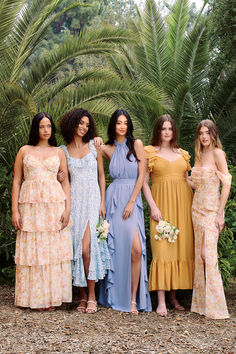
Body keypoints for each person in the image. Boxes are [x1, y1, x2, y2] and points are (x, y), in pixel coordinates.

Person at [12, 112, 73, 310]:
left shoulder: (59, 152)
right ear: (35, 129)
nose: (46, 130)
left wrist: (68, 209)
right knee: (34, 251)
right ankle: (34, 298)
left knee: (51, 251)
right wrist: (15, 211)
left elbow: (65, 182)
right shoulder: (24, 151)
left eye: (48, 126)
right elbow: (16, 181)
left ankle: (51, 298)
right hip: (30, 207)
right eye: (42, 126)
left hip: (54, 206)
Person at [98, 109, 152, 314]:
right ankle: (114, 295)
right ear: (113, 125)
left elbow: (142, 176)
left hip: (131, 200)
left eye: (125, 123)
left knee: (136, 249)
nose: (122, 126)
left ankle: (132, 299)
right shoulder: (107, 148)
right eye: (118, 123)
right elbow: (86, 148)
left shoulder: (136, 144)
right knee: (117, 250)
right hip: (113, 200)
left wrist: (131, 202)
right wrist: (95, 138)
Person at [142, 114, 194, 316]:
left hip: (184, 206)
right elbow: (144, 182)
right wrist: (153, 206)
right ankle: (161, 301)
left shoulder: (183, 154)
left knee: (180, 249)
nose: (166, 132)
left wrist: (206, 184)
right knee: (162, 250)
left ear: (174, 131)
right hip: (161, 206)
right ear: (158, 131)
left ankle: (173, 296)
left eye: (170, 129)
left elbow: (187, 179)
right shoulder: (150, 153)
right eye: (163, 128)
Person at [59, 108, 110, 314]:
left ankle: (92, 296)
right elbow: (63, 179)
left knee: (87, 250)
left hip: (92, 201)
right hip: (74, 203)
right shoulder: (62, 150)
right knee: (75, 250)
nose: (84, 127)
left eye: (87, 125)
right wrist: (60, 177)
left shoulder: (94, 145)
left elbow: (101, 176)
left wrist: (102, 202)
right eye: (81, 123)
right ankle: (81, 297)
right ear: (72, 123)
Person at [186, 119, 231, 319]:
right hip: (196, 210)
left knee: (208, 255)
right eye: (201, 133)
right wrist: (186, 180)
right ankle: (201, 305)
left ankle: (217, 308)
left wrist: (221, 212)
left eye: (207, 133)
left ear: (214, 135)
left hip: (212, 211)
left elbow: (226, 184)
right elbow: (199, 185)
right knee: (199, 257)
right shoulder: (199, 155)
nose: (204, 136)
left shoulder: (217, 154)